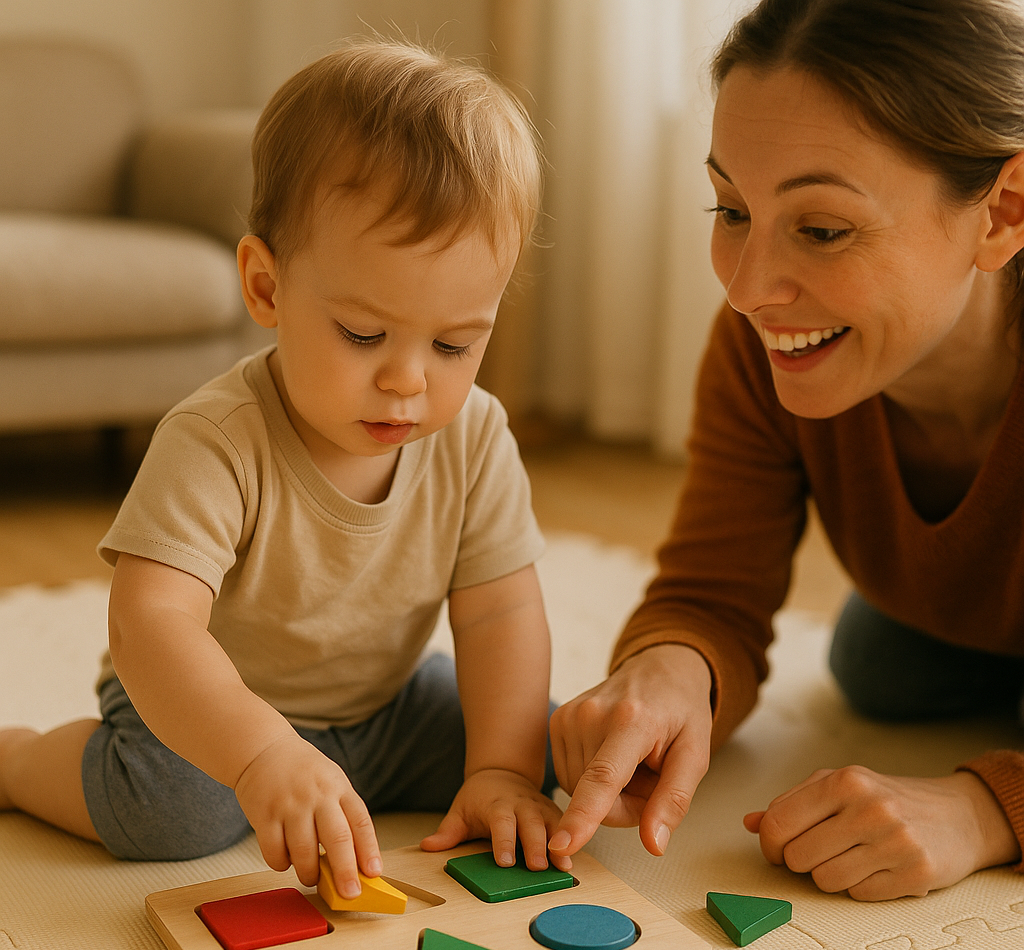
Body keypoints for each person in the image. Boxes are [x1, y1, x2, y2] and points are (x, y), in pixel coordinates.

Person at [0, 40, 572, 897]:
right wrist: (262, 751)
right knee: (168, 814)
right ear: (267, 289)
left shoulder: (477, 435)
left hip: (385, 709)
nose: (409, 380)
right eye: (364, 335)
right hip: (208, 716)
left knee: (546, 748)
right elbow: (151, 624)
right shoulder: (216, 439)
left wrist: (500, 769)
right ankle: (17, 761)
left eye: (455, 343)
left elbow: (499, 616)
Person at [548, 0, 1024, 900]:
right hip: (948, 617)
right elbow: (711, 592)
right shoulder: (768, 346)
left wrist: (983, 809)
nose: (749, 290)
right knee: (875, 666)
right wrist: (671, 670)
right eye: (730, 208)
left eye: (822, 228)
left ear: (1002, 212)